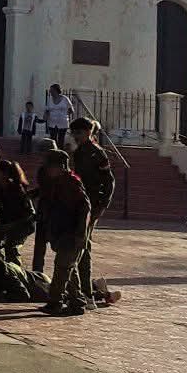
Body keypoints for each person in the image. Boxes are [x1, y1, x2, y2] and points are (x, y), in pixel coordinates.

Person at [36, 149, 91, 316]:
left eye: (50, 167)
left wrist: (80, 234)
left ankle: (55, 302)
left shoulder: (71, 183)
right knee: (68, 269)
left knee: (62, 269)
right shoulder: (55, 183)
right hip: (61, 233)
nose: (47, 170)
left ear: (60, 167)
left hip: (72, 235)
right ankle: (77, 302)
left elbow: (85, 208)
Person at [68, 117, 114, 309]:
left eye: (78, 133)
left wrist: (102, 205)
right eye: (74, 133)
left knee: (83, 247)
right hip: (80, 203)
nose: (76, 137)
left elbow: (109, 181)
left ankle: (86, 294)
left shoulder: (98, 153)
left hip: (92, 204)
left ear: (88, 132)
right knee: (80, 246)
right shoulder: (78, 153)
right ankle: (83, 291)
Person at [0, 159, 36, 264]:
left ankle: (15, 272)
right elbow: (0, 209)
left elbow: (25, 214)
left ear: (5, 174)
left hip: (25, 223)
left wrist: (7, 226)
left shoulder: (16, 188)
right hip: (9, 221)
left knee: (11, 246)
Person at [42, 84, 74, 150]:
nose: (50, 92)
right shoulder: (49, 100)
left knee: (61, 140)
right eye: (50, 91)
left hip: (63, 122)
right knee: (53, 139)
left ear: (56, 90)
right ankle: (54, 153)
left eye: (52, 90)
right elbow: (47, 110)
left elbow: (71, 110)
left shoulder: (65, 99)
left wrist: (65, 115)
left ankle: (60, 154)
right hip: (52, 122)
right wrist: (45, 116)